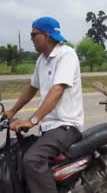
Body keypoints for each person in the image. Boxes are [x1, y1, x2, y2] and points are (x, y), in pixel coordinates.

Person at [4, 17, 83, 193]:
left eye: (33, 35)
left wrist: (32, 120)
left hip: (67, 126)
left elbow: (57, 91)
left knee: (32, 159)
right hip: (49, 127)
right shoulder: (41, 60)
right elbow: (31, 88)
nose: (30, 39)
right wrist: (12, 111)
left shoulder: (66, 55)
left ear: (46, 36)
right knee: (17, 153)